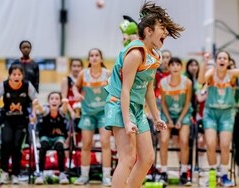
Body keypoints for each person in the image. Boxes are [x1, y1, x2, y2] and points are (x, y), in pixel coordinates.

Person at [104, 2, 184, 187]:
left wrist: (157, 117)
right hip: (119, 104)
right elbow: (125, 90)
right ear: (148, 31)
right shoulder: (135, 53)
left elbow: (148, 89)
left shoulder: (154, 55)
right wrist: (126, 121)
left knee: (147, 158)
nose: (165, 33)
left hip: (137, 107)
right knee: (128, 157)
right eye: (161, 29)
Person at [198, 43, 239, 187]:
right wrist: (204, 62)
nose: (222, 60)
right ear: (216, 61)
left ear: (228, 62)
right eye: (219, 58)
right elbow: (200, 81)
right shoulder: (211, 72)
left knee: (224, 144)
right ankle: (212, 176)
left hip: (227, 114)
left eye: (225, 58)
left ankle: (223, 175)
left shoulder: (232, 75)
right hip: (210, 113)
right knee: (210, 144)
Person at [0, 64, 38, 184]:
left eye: (19, 74)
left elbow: (35, 100)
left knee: (17, 146)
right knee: (6, 142)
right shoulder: (4, 85)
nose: (16, 76)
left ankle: (15, 173)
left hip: (22, 121)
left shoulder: (27, 85)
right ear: (10, 75)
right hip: (7, 120)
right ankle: (4, 172)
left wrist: (34, 114)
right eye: (14, 74)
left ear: (22, 76)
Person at [73, 48, 112, 186]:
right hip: (88, 112)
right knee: (86, 145)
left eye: (97, 55)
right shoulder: (83, 74)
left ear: (101, 58)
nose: (94, 57)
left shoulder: (108, 74)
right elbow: (75, 87)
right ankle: (84, 176)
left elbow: (115, 89)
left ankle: (107, 177)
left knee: (105, 143)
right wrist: (76, 94)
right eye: (91, 55)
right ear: (88, 59)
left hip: (103, 113)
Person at [159, 57, 192, 186]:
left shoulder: (187, 82)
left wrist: (179, 120)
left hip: (183, 114)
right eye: (172, 65)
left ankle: (184, 173)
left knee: (184, 141)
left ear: (181, 67)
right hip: (167, 114)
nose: (175, 67)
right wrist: (168, 119)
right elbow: (163, 104)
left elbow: (187, 103)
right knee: (163, 140)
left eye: (178, 64)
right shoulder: (162, 83)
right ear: (169, 68)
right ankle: (163, 172)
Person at [32, 92, 69, 185]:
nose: (54, 100)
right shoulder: (45, 110)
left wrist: (66, 103)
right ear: (48, 102)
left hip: (58, 137)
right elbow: (40, 110)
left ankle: (62, 173)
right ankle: (40, 173)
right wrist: (37, 104)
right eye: (52, 98)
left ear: (60, 102)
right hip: (46, 136)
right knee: (43, 147)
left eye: (57, 99)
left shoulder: (61, 111)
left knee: (60, 147)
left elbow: (64, 109)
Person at [60, 58, 84, 167]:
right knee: (68, 137)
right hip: (69, 113)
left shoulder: (84, 80)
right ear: (71, 67)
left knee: (82, 139)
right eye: (74, 66)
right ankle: (68, 162)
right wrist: (71, 112)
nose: (76, 68)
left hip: (82, 112)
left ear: (82, 68)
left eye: (78, 66)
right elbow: (64, 98)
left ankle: (80, 162)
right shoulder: (66, 80)